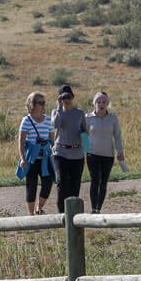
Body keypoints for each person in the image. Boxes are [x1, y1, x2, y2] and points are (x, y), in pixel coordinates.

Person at [49, 83, 88, 215]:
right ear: (59, 99)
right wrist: (59, 107)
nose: (67, 99)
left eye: (69, 97)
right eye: (63, 97)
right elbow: (56, 124)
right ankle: (62, 214)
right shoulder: (56, 112)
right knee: (61, 182)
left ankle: (73, 214)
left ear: (72, 97)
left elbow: (85, 131)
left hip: (77, 153)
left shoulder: (79, 113)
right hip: (60, 152)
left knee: (75, 184)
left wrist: (86, 150)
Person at [85, 90, 126, 213]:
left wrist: (120, 152)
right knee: (95, 180)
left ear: (107, 104)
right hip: (92, 154)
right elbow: (84, 134)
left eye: (104, 102)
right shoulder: (88, 117)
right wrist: (86, 151)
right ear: (94, 104)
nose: (101, 104)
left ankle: (98, 208)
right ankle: (93, 208)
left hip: (108, 155)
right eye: (99, 102)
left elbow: (117, 135)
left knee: (103, 182)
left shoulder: (113, 118)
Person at [17, 90, 54, 215]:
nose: (43, 105)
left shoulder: (48, 120)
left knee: (48, 183)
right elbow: (21, 141)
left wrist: (53, 152)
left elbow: (52, 139)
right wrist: (23, 158)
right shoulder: (26, 120)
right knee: (31, 185)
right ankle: (31, 214)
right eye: (41, 103)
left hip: (45, 157)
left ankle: (39, 208)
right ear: (33, 104)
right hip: (32, 158)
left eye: (44, 103)